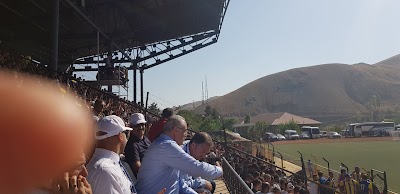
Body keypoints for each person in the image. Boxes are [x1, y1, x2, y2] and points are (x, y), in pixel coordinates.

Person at [135, 115, 223, 194]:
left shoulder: (166, 145)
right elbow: (195, 167)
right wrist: (219, 170)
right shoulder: (167, 146)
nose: (186, 134)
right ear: (176, 130)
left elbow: (178, 183)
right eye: (185, 131)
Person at [86, 115, 136, 194]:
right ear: (120, 136)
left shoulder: (105, 167)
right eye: (126, 133)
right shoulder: (106, 171)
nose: (127, 138)